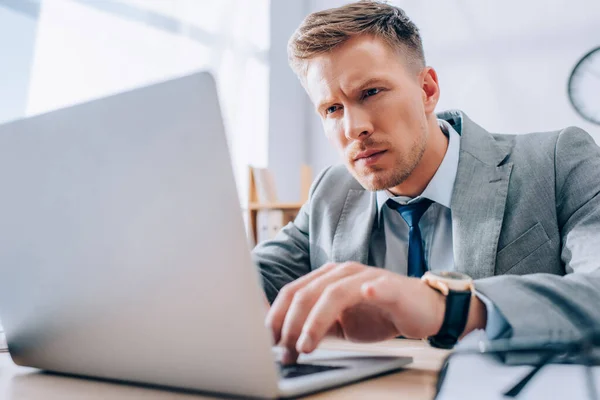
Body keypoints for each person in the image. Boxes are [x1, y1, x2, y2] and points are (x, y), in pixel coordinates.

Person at [253, 0, 600, 364]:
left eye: (370, 92)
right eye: (332, 109)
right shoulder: (332, 191)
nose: (354, 128)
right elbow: (255, 275)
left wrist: (445, 307)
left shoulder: (558, 160)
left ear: (428, 90)